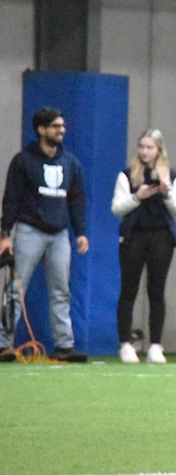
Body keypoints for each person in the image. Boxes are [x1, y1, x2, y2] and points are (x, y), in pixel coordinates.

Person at [0, 107, 89, 363]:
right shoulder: (23, 161)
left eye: (62, 126)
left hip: (60, 234)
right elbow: (12, 198)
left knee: (61, 291)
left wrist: (81, 232)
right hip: (29, 231)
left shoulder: (71, 163)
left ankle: (65, 345)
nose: (61, 130)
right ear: (41, 130)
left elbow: (77, 200)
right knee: (16, 289)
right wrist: (5, 233)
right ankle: (3, 343)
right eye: (55, 126)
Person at [110, 129, 176, 364]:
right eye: (142, 147)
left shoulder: (173, 176)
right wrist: (138, 196)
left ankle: (155, 345)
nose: (145, 152)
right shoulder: (127, 175)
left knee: (156, 290)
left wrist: (166, 193)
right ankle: (125, 344)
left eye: (150, 147)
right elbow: (117, 208)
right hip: (134, 235)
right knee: (129, 289)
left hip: (161, 236)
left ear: (159, 150)